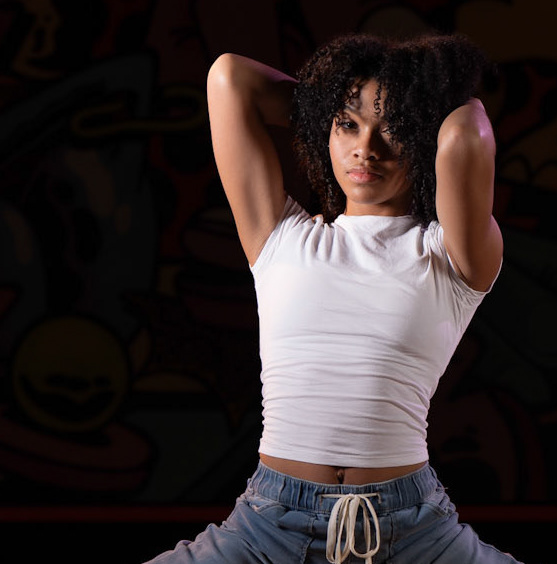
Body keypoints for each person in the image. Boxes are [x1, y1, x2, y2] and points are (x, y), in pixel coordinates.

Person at [145, 32, 518, 564]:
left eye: (394, 129)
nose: (366, 148)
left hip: (412, 532)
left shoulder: (452, 254)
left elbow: (466, 132)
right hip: (267, 524)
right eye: (348, 125)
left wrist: (414, 103)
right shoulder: (279, 236)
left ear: (422, 135)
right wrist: (326, 105)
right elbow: (229, 77)